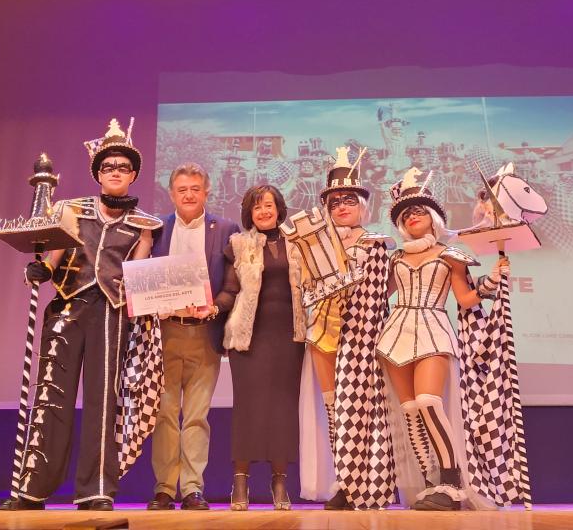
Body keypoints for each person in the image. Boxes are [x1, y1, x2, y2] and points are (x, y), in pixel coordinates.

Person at [0, 119, 162, 511]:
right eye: (108, 166)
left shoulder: (145, 225)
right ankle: (31, 489)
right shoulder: (70, 210)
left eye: (123, 167)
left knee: (102, 402)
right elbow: (52, 260)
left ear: (134, 174)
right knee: (51, 395)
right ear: (98, 173)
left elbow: (139, 276)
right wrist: (39, 271)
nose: (115, 172)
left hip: (111, 314)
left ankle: (96, 490)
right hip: (68, 308)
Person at [377, 168, 508, 511]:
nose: (412, 217)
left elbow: (465, 299)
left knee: (428, 402)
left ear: (433, 216)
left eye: (418, 211)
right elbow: (378, 296)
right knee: (409, 411)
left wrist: (492, 281)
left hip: (433, 328)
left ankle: (452, 482)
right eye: (406, 214)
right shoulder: (395, 258)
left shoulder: (450, 254)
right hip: (395, 334)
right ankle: (429, 483)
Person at [300, 146, 397, 510]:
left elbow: (385, 289)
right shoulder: (316, 245)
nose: (342, 207)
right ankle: (344, 481)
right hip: (322, 333)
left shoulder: (377, 244)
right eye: (335, 202)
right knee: (334, 410)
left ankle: (368, 483)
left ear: (362, 206)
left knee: (363, 408)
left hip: (362, 335)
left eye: (349, 200)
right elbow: (305, 287)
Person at [148, 162, 239, 511]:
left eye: (195, 189)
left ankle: (192, 488)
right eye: (182, 189)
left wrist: (214, 308)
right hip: (165, 333)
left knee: (197, 416)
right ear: (172, 194)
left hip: (204, 334)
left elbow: (232, 285)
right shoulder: (156, 229)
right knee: (165, 413)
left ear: (206, 191)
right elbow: (142, 277)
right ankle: (164, 489)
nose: (189, 195)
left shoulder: (226, 229)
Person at [212, 185, 306, 511]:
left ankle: (280, 482)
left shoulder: (300, 243)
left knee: (284, 410)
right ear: (249, 213)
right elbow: (230, 290)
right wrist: (213, 307)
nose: (264, 211)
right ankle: (240, 480)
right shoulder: (238, 244)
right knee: (248, 410)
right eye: (257, 207)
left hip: (290, 338)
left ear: (279, 209)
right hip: (247, 339)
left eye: (269, 205)